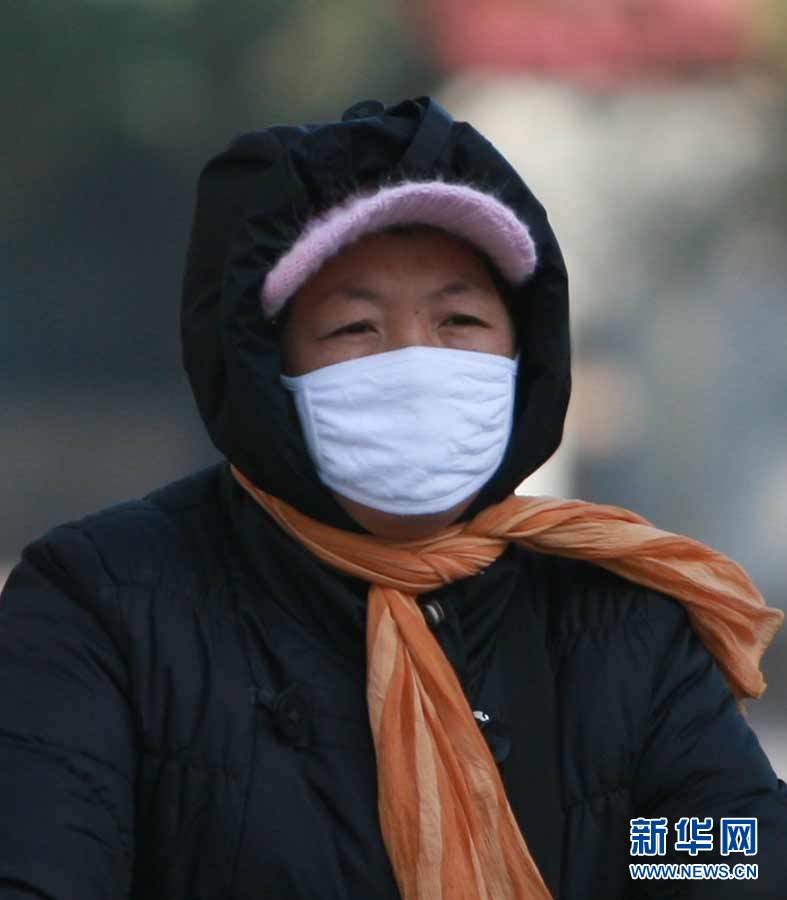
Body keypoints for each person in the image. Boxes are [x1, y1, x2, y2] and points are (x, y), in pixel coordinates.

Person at [0, 96, 785, 900]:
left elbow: (727, 862)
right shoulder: (104, 609)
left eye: (459, 320)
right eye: (355, 329)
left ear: (526, 351)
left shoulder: (616, 620)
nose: (415, 364)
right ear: (264, 366)